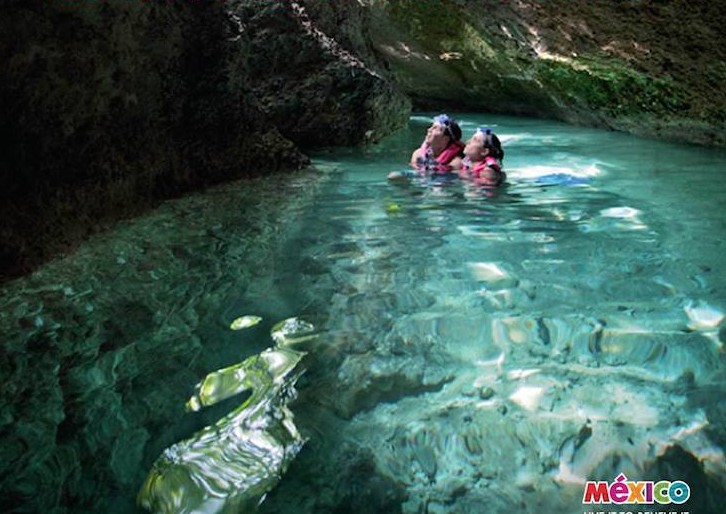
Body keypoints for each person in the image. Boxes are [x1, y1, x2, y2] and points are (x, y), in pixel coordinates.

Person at [388, 114, 464, 181]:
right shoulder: (418, 154)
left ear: (445, 139)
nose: (429, 130)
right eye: (431, 127)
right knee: (394, 176)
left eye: (435, 128)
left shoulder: (455, 162)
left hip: (443, 184)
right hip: (423, 180)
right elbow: (415, 172)